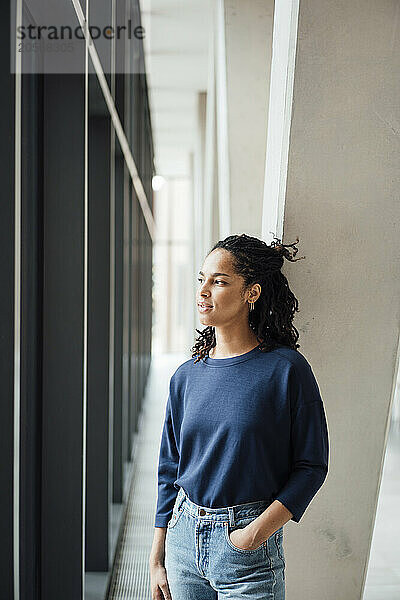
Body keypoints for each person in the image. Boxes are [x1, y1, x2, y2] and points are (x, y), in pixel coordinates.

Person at [149, 233, 329, 600]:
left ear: (252, 293)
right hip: (183, 543)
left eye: (219, 281)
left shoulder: (286, 370)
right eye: (202, 279)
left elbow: (312, 465)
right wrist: (157, 557)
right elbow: (170, 469)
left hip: (246, 548)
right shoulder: (186, 375)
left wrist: (254, 535)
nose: (203, 291)